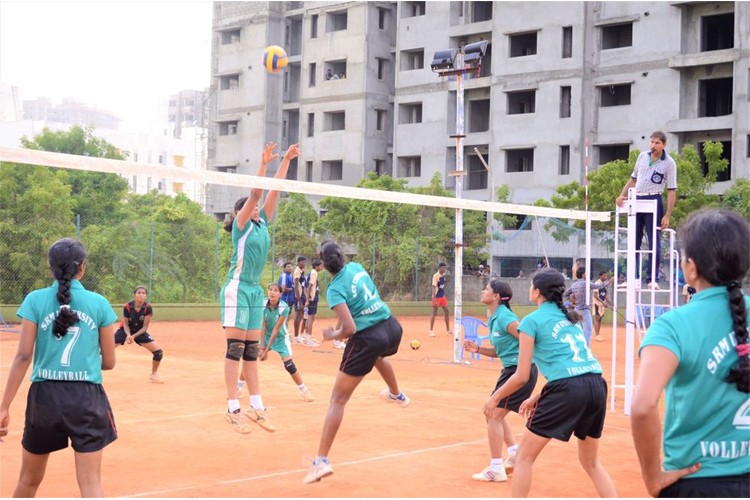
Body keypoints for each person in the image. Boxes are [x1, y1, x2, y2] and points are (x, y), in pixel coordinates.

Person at [631, 208, 750, 498]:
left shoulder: (673, 326)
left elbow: (643, 406)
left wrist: (652, 477)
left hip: (695, 481)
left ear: (691, 267)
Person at [484, 268, 617, 497]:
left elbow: (522, 375)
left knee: (524, 457)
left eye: (531, 286)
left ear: (537, 292)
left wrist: (495, 397)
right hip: (596, 385)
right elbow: (572, 365)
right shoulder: (571, 318)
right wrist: (539, 395)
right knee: (591, 462)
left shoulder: (531, 321)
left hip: (568, 389)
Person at [0, 238, 118, 497]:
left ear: (50, 267)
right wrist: (83, 362)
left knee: (28, 482)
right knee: (90, 484)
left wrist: (4, 406)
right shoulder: (99, 303)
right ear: (82, 267)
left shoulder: (35, 300)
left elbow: (22, 357)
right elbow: (109, 362)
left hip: (44, 398)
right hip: (86, 398)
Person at [304, 240, 411, 484]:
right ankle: (397, 394)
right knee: (378, 356)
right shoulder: (357, 268)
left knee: (337, 400)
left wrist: (332, 334)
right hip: (391, 327)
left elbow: (350, 327)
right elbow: (360, 305)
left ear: (324, 264)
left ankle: (321, 461)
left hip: (368, 338)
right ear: (342, 256)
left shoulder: (334, 289)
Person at [220, 141, 301, 434]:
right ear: (241, 211)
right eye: (251, 206)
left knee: (251, 351)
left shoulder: (262, 223)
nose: (256, 208)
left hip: (254, 291)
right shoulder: (242, 226)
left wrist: (287, 160)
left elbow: (274, 191)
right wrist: (263, 163)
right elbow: (257, 192)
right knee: (235, 349)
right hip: (237, 289)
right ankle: (232, 408)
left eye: (256, 207)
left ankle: (256, 404)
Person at [463, 280, 539, 482]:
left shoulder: (505, 316)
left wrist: (532, 361)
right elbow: (499, 350)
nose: (482, 291)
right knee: (493, 414)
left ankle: (497, 467)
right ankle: (513, 453)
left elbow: (527, 336)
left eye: (486, 289)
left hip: (519, 371)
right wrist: (477, 349)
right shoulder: (494, 317)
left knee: (493, 414)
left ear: (496, 296)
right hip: (510, 369)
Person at [616, 131, 677, 289]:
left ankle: (652, 278)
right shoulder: (642, 156)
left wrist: (667, 215)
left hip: (654, 199)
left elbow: (671, 190)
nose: (653, 146)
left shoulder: (669, 163)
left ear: (664, 144)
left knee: (653, 240)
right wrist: (622, 195)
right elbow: (633, 179)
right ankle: (632, 277)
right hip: (637, 199)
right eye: (652, 142)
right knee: (633, 240)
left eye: (657, 143)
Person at [259, 283, 313, 402]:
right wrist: (261, 347)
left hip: (280, 338)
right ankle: (239, 386)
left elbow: (276, 330)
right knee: (250, 359)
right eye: (270, 290)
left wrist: (266, 351)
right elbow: (262, 326)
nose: (272, 292)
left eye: (275, 291)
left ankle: (304, 390)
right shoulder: (262, 303)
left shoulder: (284, 307)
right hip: (266, 336)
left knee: (289, 365)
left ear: (280, 294)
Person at [114, 285, 164, 383]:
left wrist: (133, 336)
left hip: (140, 331)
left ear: (146, 296)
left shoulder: (148, 308)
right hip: (125, 330)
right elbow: (126, 324)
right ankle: (92, 373)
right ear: (134, 295)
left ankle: (153, 375)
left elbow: (145, 327)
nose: (141, 295)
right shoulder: (128, 306)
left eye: (143, 293)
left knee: (158, 352)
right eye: (139, 293)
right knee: (103, 350)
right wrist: (128, 335)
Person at [563, 266, 613, 345]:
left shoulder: (574, 285)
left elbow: (565, 294)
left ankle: (577, 345)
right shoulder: (586, 284)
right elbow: (598, 286)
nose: (587, 274)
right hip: (585, 311)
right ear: (583, 274)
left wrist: (572, 302)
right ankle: (586, 348)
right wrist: (609, 282)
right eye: (586, 273)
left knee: (578, 329)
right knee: (588, 330)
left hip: (576, 310)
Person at [304, 258, 324, 345]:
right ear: (316, 266)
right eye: (320, 265)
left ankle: (309, 336)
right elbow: (309, 287)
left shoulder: (312, 273)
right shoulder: (314, 273)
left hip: (313, 298)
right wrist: (308, 299)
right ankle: (308, 339)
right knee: (310, 318)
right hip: (312, 299)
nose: (322, 267)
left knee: (311, 318)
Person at [429, 262, 451, 337]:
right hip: (436, 296)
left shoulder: (444, 275)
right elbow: (433, 287)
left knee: (447, 311)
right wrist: (434, 300)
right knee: (434, 312)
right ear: (439, 268)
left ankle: (448, 330)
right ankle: (431, 330)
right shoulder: (436, 276)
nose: (445, 269)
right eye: (443, 268)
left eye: (445, 268)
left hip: (442, 295)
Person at [592, 271, 612, 342]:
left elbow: (605, 294)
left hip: (602, 304)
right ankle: (596, 335)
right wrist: (603, 302)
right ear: (600, 276)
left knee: (600, 319)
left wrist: (610, 303)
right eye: (604, 276)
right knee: (597, 318)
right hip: (597, 303)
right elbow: (595, 295)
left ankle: (598, 334)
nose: (605, 277)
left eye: (606, 276)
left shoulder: (603, 284)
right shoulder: (597, 283)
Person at [292, 255, 308, 344]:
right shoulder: (297, 272)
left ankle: (298, 336)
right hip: (298, 297)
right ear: (298, 263)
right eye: (302, 262)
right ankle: (296, 337)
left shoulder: (302, 271)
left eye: (305, 262)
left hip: (302, 296)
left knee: (301, 315)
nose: (304, 263)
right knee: (298, 316)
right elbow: (296, 287)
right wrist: (299, 300)